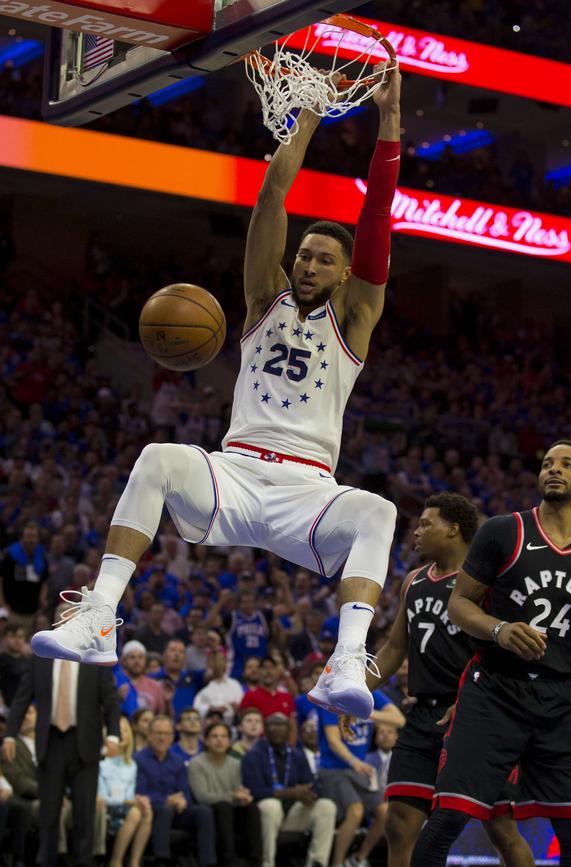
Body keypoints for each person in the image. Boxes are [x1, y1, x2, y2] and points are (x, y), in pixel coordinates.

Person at [31, 63, 403, 720]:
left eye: (324, 258)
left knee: (377, 512)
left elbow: (376, 214)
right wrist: (309, 117)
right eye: (305, 254)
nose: (309, 263)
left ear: (348, 274)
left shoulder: (356, 318)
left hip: (309, 492)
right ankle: (99, 615)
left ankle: (347, 657)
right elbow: (270, 204)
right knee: (158, 458)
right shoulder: (265, 296)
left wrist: (390, 123)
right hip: (234, 473)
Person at [410, 441, 571, 867]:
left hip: (560, 697)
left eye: (566, 464)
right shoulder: (504, 531)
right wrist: (499, 630)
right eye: (547, 463)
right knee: (449, 816)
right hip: (493, 691)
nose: (553, 469)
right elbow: (459, 604)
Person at [340, 493, 534, 867]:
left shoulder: (488, 583)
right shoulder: (413, 581)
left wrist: (477, 701)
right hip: (422, 717)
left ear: (453, 530)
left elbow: (507, 655)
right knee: (399, 824)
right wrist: (357, 693)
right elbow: (395, 649)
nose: (417, 531)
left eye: (427, 524)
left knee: (501, 830)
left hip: (474, 716)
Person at [2, 642, 121, 867]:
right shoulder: (40, 657)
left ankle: (83, 862)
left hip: (85, 743)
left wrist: (113, 734)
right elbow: (22, 698)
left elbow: (111, 699)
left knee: (85, 812)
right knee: (49, 811)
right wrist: (9, 735)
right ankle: (46, 861)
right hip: (51, 741)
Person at [318, 689, 404, 867]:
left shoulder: (372, 694)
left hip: (359, 770)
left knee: (384, 811)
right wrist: (353, 761)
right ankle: (337, 863)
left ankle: (358, 859)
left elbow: (399, 720)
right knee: (355, 811)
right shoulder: (333, 697)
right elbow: (333, 741)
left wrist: (366, 711)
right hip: (334, 769)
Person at [242, 712, 337, 867]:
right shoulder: (254, 755)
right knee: (270, 806)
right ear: (265, 729)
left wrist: (310, 793)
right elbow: (254, 791)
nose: (277, 729)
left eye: (281, 725)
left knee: (326, 806)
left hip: (293, 814)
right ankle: (267, 863)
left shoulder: (297, 755)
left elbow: (312, 785)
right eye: (273, 725)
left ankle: (317, 861)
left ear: (289, 730)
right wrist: (293, 792)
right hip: (265, 817)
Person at [134, 714, 217, 867]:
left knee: (203, 812)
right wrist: (166, 800)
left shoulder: (177, 761)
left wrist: (183, 800)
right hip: (151, 810)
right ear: (149, 735)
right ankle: (161, 860)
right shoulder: (138, 759)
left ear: (172, 737)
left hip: (176, 810)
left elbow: (185, 792)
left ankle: (208, 862)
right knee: (164, 810)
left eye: (166, 734)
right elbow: (140, 791)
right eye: (158, 733)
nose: (162, 738)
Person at [188, 721, 262, 867]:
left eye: (223, 736)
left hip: (231, 809)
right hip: (209, 812)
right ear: (207, 741)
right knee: (223, 807)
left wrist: (244, 797)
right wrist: (233, 797)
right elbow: (201, 796)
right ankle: (229, 860)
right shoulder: (197, 763)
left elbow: (238, 790)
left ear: (229, 741)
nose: (219, 740)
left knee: (252, 808)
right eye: (214, 736)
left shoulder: (235, 763)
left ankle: (256, 861)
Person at [98, 715, 153, 867]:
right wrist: (128, 802)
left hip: (125, 809)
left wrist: (137, 800)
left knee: (146, 810)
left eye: (125, 731)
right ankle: (116, 861)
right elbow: (101, 797)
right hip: (105, 810)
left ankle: (135, 862)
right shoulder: (100, 762)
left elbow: (129, 794)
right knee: (135, 812)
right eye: (117, 731)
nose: (121, 734)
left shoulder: (131, 765)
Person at [0, 522, 49, 633]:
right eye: (28, 536)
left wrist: (42, 598)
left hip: (32, 612)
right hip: (11, 610)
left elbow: (44, 581)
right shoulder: (10, 556)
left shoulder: (41, 557)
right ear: (21, 538)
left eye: (34, 537)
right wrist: (2, 604)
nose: (31, 540)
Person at [240, 656, 298, 742]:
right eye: (264, 668)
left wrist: (290, 748)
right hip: (259, 745)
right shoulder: (249, 696)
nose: (268, 671)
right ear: (259, 671)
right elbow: (245, 724)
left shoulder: (287, 697)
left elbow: (292, 726)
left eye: (271, 667)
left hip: (283, 746)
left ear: (277, 671)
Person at [150, 638, 206, 720]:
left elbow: (214, 673)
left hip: (187, 727)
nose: (177, 654)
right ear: (163, 655)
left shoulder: (193, 677)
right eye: (173, 650)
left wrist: (215, 649)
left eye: (181, 652)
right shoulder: (152, 678)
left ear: (185, 658)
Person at [225, 589, 271, 679]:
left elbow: (290, 610)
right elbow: (208, 624)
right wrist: (221, 601)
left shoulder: (264, 616)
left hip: (260, 665)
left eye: (250, 602)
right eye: (244, 602)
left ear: (255, 603)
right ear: (239, 604)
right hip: (237, 665)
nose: (247, 605)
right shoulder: (231, 617)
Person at [193, 647, 244, 724]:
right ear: (208, 663)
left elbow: (240, 706)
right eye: (214, 660)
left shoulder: (235, 685)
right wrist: (211, 709)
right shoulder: (202, 685)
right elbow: (197, 708)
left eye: (221, 660)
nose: (217, 663)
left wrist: (229, 708)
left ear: (226, 664)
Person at [118, 641, 167, 714]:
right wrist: (117, 698)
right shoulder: (116, 682)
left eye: (140, 657)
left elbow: (161, 714)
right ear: (124, 660)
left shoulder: (155, 686)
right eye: (132, 657)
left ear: (145, 660)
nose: (137, 661)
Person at [0, 620, 30, 707]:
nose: (17, 640)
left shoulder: (29, 660)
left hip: (27, 708)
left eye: (20, 637)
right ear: (4, 638)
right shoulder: (2, 660)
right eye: (12, 636)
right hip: (6, 708)